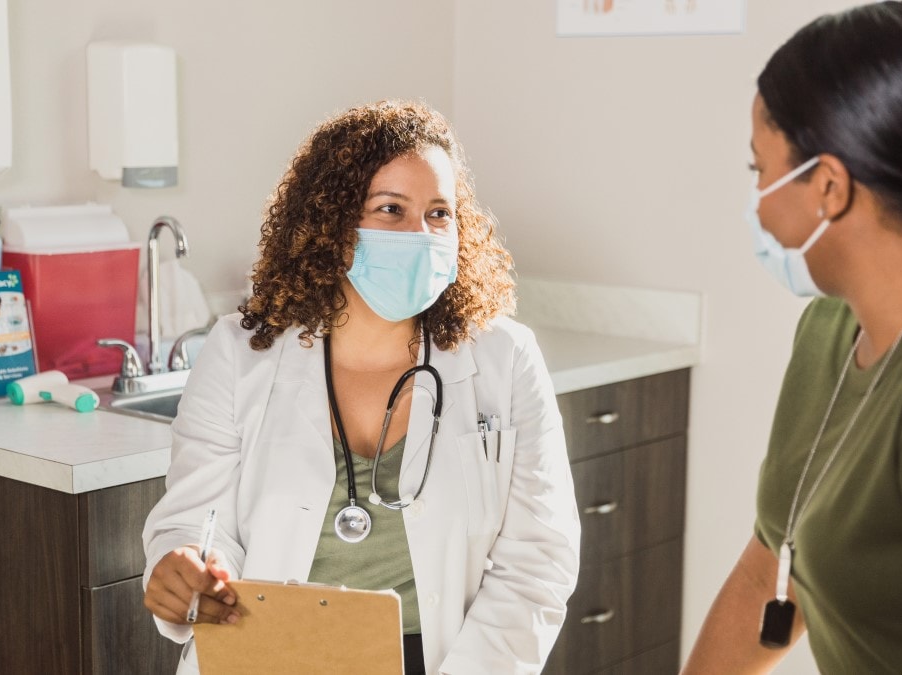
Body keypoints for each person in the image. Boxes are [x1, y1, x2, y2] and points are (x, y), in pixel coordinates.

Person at [142, 100, 580, 674]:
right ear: (330, 224)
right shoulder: (236, 355)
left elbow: (538, 562)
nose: (421, 235)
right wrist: (187, 571)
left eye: (439, 213)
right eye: (390, 209)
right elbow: (196, 523)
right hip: (267, 654)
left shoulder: (505, 358)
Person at [683, 3, 902, 674]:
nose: (756, 201)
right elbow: (772, 573)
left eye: (759, 170)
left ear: (828, 187)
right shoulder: (829, 330)